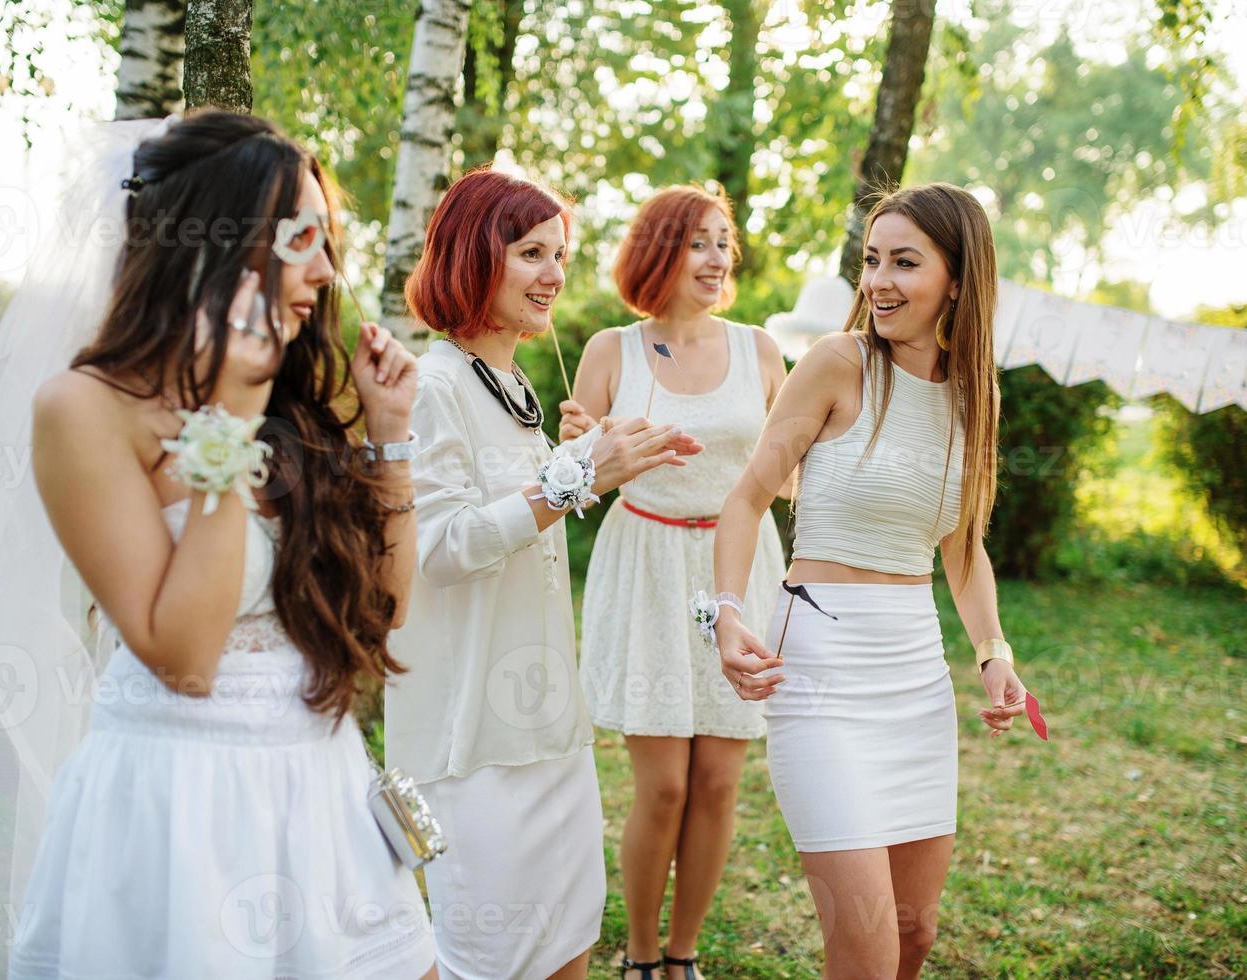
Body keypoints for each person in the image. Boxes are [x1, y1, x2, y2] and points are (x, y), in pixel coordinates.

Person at [0, 110, 438, 980]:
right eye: (303, 240)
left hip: (319, 788)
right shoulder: (84, 409)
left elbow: (389, 619)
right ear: (216, 240)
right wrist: (229, 419)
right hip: (182, 803)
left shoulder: (298, 403)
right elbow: (183, 657)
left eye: (329, 244)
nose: (326, 272)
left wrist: (391, 440)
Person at [384, 167, 702, 980]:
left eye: (559, 254)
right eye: (531, 253)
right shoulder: (433, 384)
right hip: (473, 738)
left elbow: (519, 520)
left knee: (567, 945)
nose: (555, 275)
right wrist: (576, 477)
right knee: (492, 957)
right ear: (470, 255)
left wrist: (598, 456)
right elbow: (443, 547)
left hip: (546, 725)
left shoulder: (516, 385)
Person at [711, 182, 1032, 980]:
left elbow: (962, 546)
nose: (878, 281)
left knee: (916, 937)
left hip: (915, 676)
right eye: (871, 260)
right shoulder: (835, 363)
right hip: (821, 668)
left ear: (957, 279)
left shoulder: (976, 392)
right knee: (866, 945)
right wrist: (722, 613)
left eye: (905, 263)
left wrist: (993, 652)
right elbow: (748, 498)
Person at [557, 186, 786, 980]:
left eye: (725, 242)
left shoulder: (760, 350)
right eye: (699, 242)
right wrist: (588, 450)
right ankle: (640, 954)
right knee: (662, 787)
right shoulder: (608, 351)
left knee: (719, 782)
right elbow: (567, 485)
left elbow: (787, 478)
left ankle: (683, 956)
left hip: (741, 568)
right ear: (658, 252)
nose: (719, 258)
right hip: (646, 565)